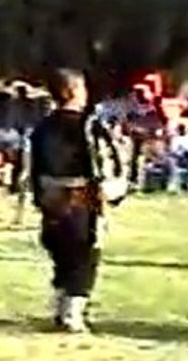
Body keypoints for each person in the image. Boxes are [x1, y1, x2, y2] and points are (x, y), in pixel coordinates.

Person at [29, 69, 127, 333]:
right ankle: (72, 312)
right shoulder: (89, 126)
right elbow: (104, 162)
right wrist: (111, 192)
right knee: (84, 252)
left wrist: (39, 197)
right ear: (72, 91)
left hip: (51, 195)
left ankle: (61, 307)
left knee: (61, 251)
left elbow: (34, 166)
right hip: (83, 195)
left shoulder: (42, 127)